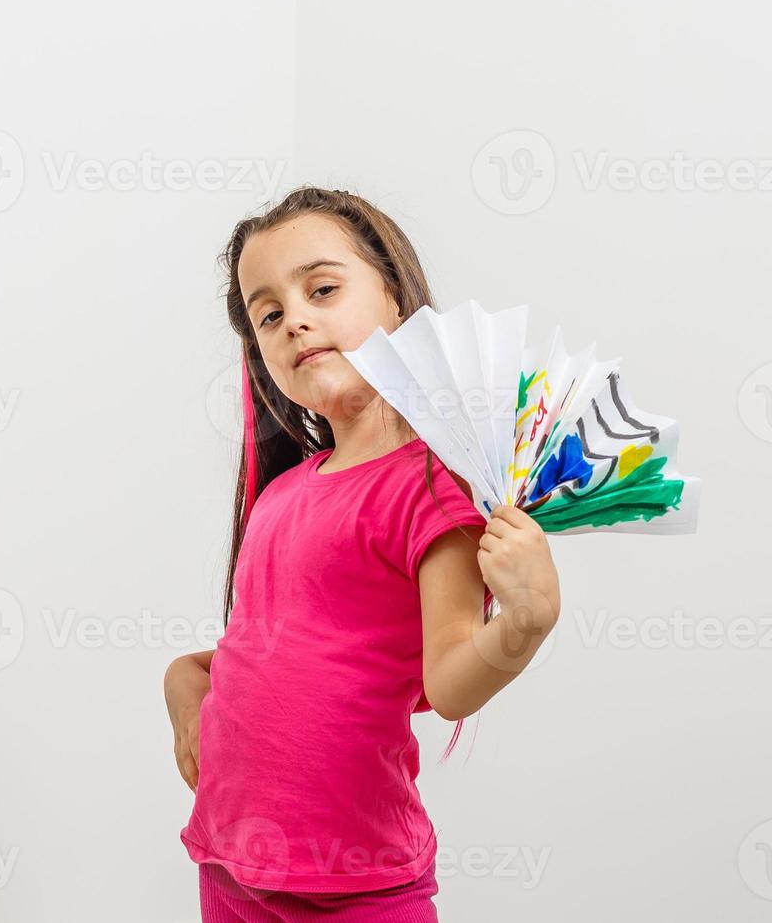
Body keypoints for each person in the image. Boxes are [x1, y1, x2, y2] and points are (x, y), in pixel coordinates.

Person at [165, 186, 562, 922]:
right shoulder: (282, 494)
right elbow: (265, 656)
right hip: (227, 869)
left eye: (321, 288)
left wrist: (526, 622)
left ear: (397, 302)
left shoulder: (430, 487)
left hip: (356, 891)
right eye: (270, 314)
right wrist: (183, 691)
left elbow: (449, 682)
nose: (296, 321)